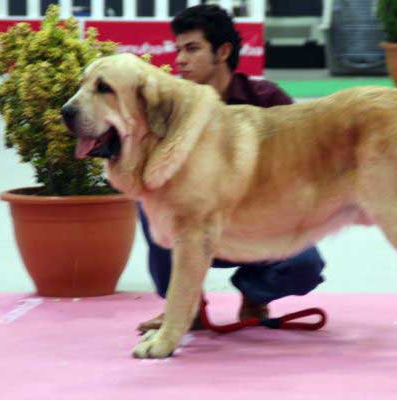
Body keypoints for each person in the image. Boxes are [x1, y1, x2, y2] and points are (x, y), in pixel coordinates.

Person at [137, 4, 326, 332]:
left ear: (222, 52)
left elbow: (306, 166)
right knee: (151, 198)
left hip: (260, 229)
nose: (179, 59)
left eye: (192, 49)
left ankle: (253, 293)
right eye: (178, 49)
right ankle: (184, 307)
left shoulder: (268, 100)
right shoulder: (167, 109)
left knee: (306, 265)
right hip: (192, 228)